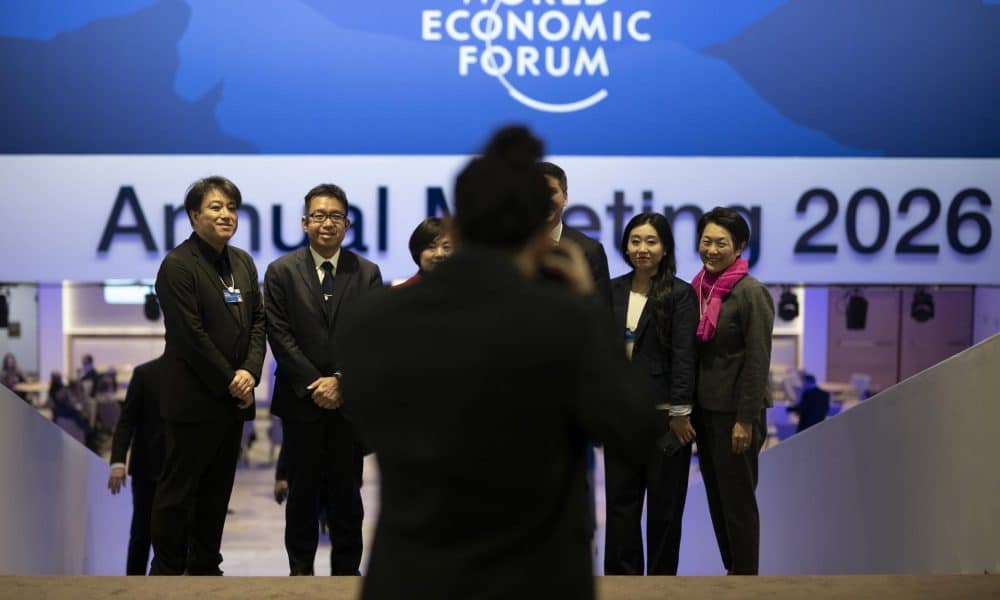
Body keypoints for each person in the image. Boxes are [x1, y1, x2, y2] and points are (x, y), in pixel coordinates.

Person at [340, 125, 657, 599]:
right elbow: (632, 428)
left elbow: (363, 420)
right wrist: (589, 308)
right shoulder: (565, 321)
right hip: (539, 576)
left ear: (453, 226)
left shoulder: (376, 318)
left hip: (413, 575)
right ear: (539, 233)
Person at [149, 176, 266, 576]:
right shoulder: (177, 266)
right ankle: (166, 570)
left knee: (218, 492)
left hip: (232, 403)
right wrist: (231, 378)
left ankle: (204, 566)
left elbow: (258, 322)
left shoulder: (243, 263)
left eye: (232, 207)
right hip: (193, 400)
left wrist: (250, 371)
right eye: (216, 207)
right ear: (194, 215)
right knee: (179, 492)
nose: (226, 214)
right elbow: (190, 335)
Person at [264, 183, 382, 576]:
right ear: (304, 222)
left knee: (348, 494)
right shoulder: (281, 271)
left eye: (335, 216)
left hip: (349, 405)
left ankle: (347, 576)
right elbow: (278, 334)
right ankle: (301, 575)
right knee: (302, 494)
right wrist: (317, 384)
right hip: (301, 404)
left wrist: (342, 381)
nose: (326, 223)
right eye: (318, 215)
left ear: (347, 224)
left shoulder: (366, 272)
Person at [604, 213, 698, 576]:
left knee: (665, 511)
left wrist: (680, 413)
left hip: (666, 422)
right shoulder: (611, 291)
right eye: (635, 241)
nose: (642, 249)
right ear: (626, 246)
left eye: (651, 241)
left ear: (664, 248)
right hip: (621, 420)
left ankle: (661, 588)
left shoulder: (679, 293)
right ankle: (621, 588)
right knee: (621, 509)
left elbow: (684, 357)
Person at [690, 207, 774, 576]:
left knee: (739, 504)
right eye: (706, 241)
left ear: (740, 246)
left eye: (721, 243)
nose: (711, 249)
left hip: (736, 416)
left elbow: (758, 361)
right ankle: (733, 575)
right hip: (706, 412)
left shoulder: (750, 293)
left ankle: (746, 584)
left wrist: (745, 420)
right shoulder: (699, 288)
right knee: (718, 501)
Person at [107, 356, 166, 575]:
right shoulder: (145, 374)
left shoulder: (194, 373)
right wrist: (118, 462)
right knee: (141, 534)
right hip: (146, 469)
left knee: (179, 537)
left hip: (180, 471)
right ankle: (133, 589)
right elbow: (126, 421)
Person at [538, 161, 612, 307]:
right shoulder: (513, 247)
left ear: (565, 197)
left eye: (551, 192)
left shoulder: (589, 250)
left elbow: (603, 315)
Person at [395, 217, 453, 287]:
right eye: (431, 247)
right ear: (418, 251)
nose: (439, 254)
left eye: (446, 247)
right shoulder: (401, 293)